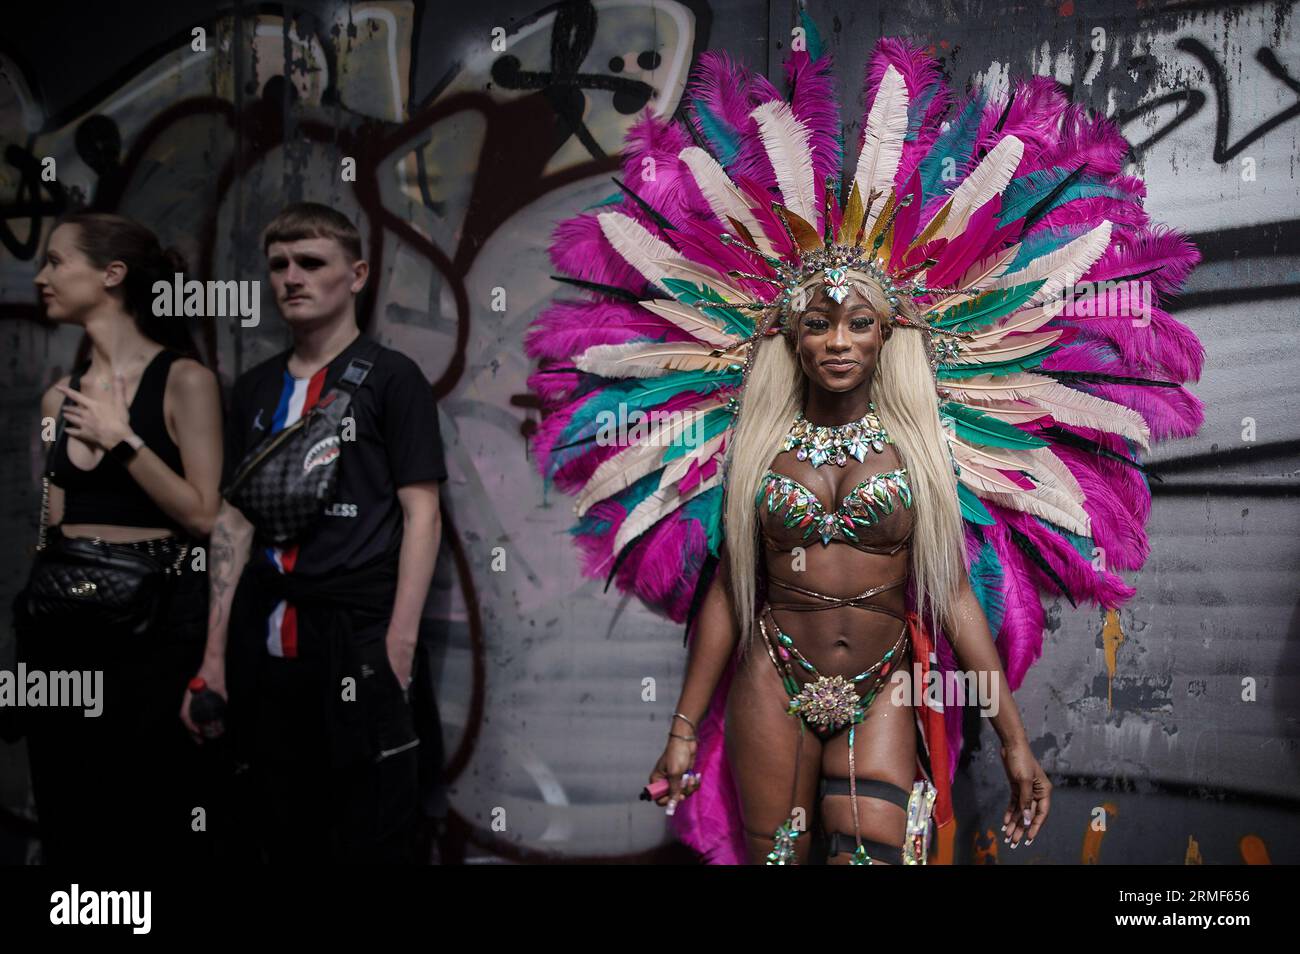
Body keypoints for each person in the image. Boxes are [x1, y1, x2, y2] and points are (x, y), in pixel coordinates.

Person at [529, 30, 1203, 863]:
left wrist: (1016, 741)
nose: (838, 341)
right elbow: (728, 599)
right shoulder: (752, 452)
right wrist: (680, 733)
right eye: (818, 324)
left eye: (859, 324)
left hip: (885, 683)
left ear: (890, 336)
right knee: (776, 857)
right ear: (790, 336)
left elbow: (955, 601)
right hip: (770, 677)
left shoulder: (924, 455)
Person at [182, 202, 447, 863]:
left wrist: (400, 645)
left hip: (356, 639)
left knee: (371, 830)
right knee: (274, 827)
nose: (291, 278)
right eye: (278, 266)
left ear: (356, 275)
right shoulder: (253, 389)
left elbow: (423, 514)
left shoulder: (393, 379)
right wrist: (213, 656)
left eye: (311, 263)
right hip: (264, 642)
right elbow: (234, 523)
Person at [18, 212, 224, 863]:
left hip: (149, 634)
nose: (42, 276)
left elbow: (203, 516)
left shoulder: (185, 381)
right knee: (68, 812)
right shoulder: (60, 399)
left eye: (57, 261)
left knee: (147, 812)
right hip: (62, 629)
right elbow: (54, 526)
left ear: (111, 275)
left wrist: (123, 440)